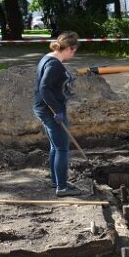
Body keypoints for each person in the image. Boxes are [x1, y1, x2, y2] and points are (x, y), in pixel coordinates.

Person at [33, 31, 81, 197]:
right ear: (70, 49)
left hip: (42, 109)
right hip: (50, 111)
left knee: (55, 145)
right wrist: (58, 110)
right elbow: (44, 88)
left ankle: (56, 181)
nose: (74, 54)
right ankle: (62, 188)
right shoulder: (54, 65)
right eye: (74, 51)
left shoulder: (47, 57)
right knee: (62, 148)